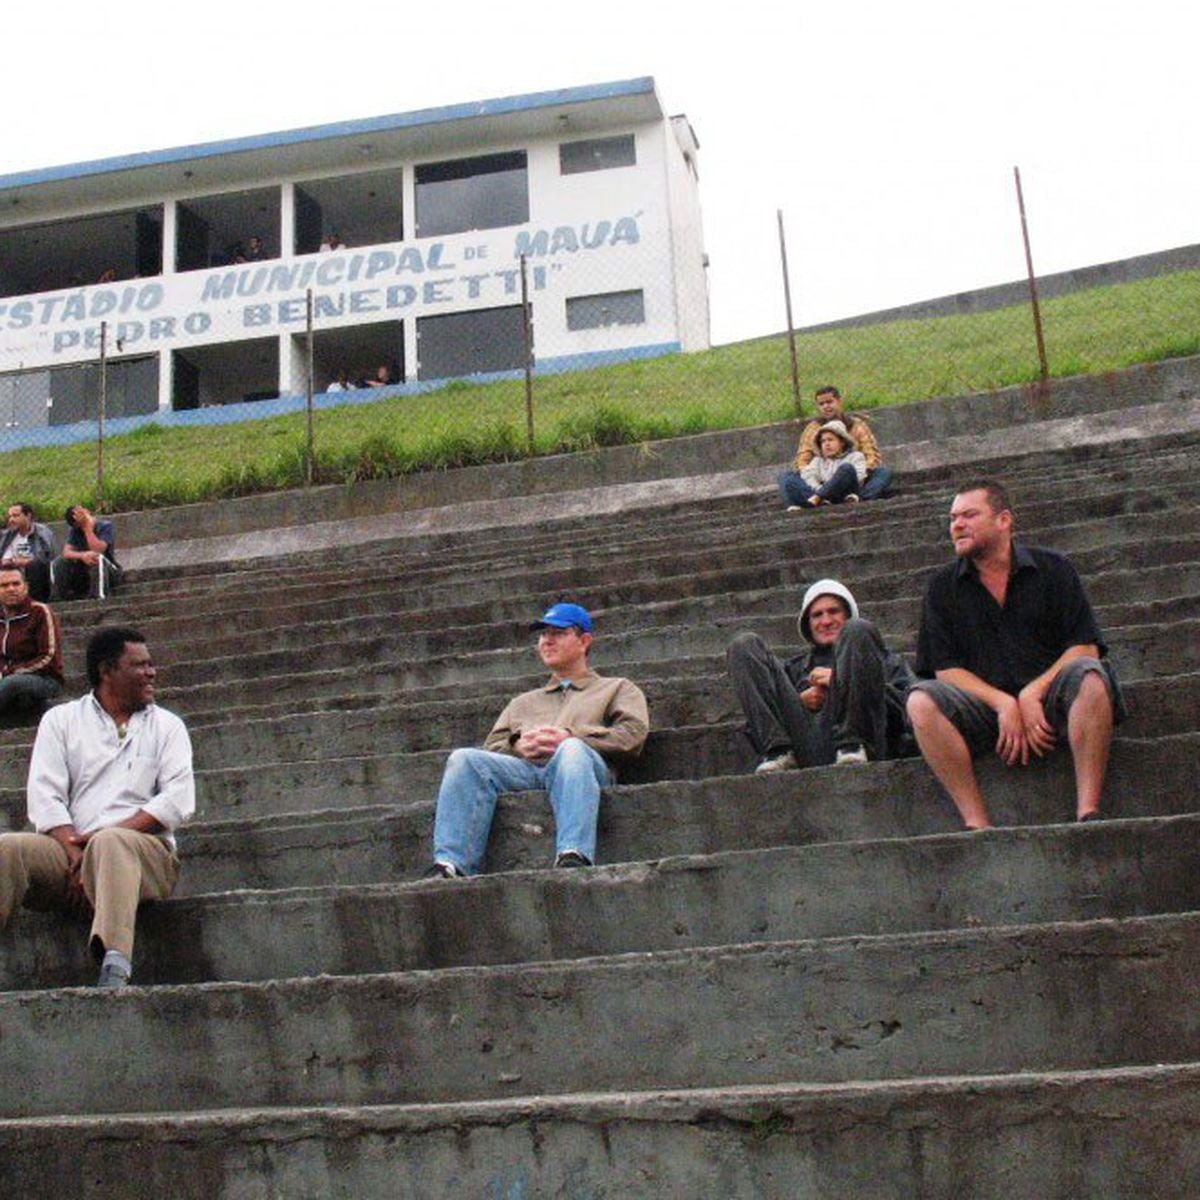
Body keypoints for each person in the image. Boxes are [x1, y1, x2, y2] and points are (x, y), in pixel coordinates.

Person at [906, 480, 1123, 830]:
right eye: (952, 518)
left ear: (1003, 520)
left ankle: (1089, 812)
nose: (956, 525)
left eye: (969, 515)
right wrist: (1003, 704)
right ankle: (977, 825)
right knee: (920, 701)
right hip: (984, 712)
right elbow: (944, 670)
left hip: (1052, 703)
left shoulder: (1054, 569)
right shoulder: (941, 587)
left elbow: (1085, 646)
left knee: (1091, 675)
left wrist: (1031, 693)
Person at [0, 626, 194, 987]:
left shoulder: (168, 726)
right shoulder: (61, 721)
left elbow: (177, 800)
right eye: (140, 665)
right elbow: (45, 794)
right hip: (69, 852)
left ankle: (115, 965)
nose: (151, 673)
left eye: (151, 664)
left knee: (111, 842)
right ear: (107, 671)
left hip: (145, 856)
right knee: (6, 848)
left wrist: (103, 843)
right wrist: (75, 852)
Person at [425, 602, 650, 877]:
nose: (547, 640)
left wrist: (573, 737)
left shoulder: (617, 688)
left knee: (570, 750)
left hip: (584, 770)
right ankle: (452, 864)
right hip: (528, 770)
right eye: (543, 634)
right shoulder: (523, 702)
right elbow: (493, 746)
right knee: (464, 759)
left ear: (584, 641)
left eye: (558, 633)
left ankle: (573, 854)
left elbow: (632, 735)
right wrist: (517, 746)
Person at [727, 578, 915, 772]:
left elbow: (910, 707)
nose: (825, 621)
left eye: (834, 611)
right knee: (743, 645)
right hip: (804, 747)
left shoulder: (884, 659)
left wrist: (844, 684)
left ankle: (852, 743)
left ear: (848, 615)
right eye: (817, 615)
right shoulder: (793, 669)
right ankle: (779, 753)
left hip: (868, 745)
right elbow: (755, 725)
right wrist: (800, 702)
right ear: (808, 624)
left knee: (859, 629)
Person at [778, 385, 894, 508]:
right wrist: (821, 482)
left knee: (884, 473)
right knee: (786, 477)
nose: (826, 407)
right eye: (821, 404)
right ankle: (820, 499)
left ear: (839, 401)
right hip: (820, 479)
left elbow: (872, 456)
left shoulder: (857, 425)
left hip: (854, 480)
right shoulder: (812, 428)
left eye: (829, 402)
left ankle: (858, 497)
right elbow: (802, 461)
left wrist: (851, 476)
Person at [0, 566, 64, 719]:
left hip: (44, 679)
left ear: (26, 587)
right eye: (4, 585)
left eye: (16, 584)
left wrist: (8, 673)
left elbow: (48, 656)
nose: (11, 589)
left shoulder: (40, 612)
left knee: (11, 684)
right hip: (7, 681)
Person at [787, 420, 868, 509]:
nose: (826, 444)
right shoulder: (818, 461)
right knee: (787, 476)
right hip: (822, 497)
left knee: (847, 468)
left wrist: (833, 484)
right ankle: (811, 502)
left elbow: (859, 478)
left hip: (846, 494)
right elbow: (808, 476)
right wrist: (821, 490)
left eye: (830, 440)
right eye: (823, 441)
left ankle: (815, 499)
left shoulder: (856, 456)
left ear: (842, 442)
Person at [53, 505, 123, 601]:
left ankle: (98, 596)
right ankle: (60, 597)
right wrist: (82, 556)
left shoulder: (105, 526)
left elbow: (98, 549)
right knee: (59, 562)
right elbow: (66, 552)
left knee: (96, 558)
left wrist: (87, 528)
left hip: (108, 571)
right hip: (85, 572)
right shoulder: (75, 531)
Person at [0, 503, 57, 602]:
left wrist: (26, 561)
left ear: (28, 516)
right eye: (10, 516)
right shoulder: (7, 535)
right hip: (11, 571)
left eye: (16, 516)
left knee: (35, 566)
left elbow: (47, 556)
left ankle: (34, 602)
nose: (11, 520)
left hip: (37, 572)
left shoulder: (42, 532)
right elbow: (4, 558)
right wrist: (12, 561)